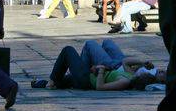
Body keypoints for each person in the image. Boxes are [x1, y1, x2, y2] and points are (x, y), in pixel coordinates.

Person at [34, 39, 166, 91]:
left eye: (162, 74)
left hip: (86, 81)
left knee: (68, 50)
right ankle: (49, 82)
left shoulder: (125, 81)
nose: (162, 71)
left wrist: (101, 70)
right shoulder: (128, 74)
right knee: (67, 79)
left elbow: (100, 87)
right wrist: (142, 63)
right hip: (90, 75)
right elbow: (125, 62)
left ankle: (51, 82)